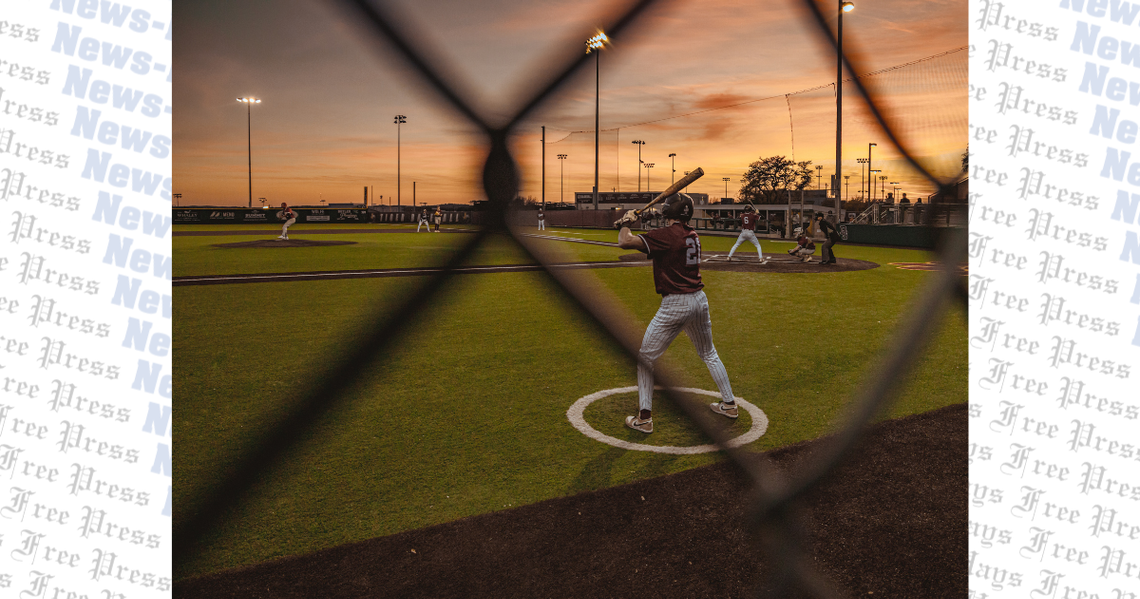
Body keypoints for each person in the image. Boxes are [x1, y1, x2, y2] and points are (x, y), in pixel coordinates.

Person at [615, 193, 738, 434]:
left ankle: (644, 419)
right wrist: (629, 223)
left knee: (645, 359)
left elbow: (625, 242)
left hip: (675, 304)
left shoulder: (666, 235)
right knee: (709, 353)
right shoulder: (692, 234)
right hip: (699, 301)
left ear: (669, 211)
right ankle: (729, 404)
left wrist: (626, 223)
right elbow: (659, 237)